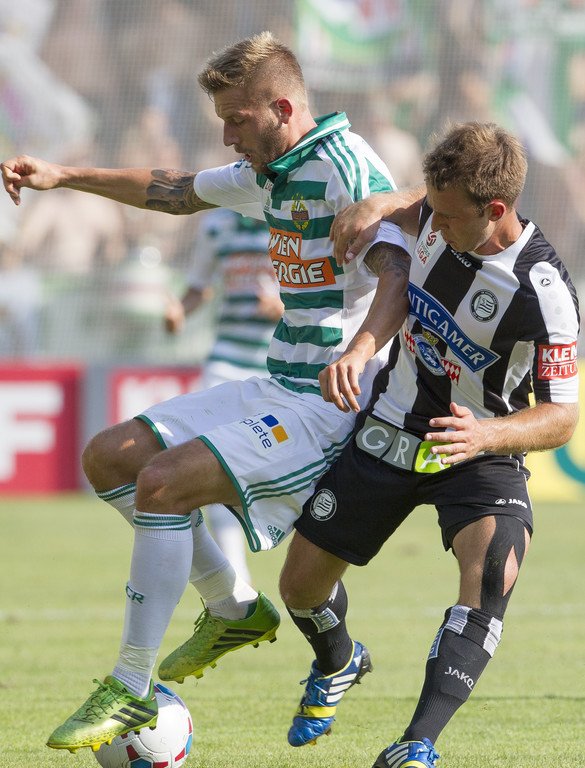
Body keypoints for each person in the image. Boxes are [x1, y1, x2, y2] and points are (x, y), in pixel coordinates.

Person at [1, 31, 411, 753]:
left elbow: (398, 275)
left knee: (162, 483)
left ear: (281, 107)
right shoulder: (271, 172)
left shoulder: (347, 168)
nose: (226, 137)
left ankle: (130, 685)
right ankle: (232, 605)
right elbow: (174, 191)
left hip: (330, 405)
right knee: (110, 456)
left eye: (236, 120)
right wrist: (63, 175)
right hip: (276, 383)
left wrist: (360, 349)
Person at [278, 122, 580, 767]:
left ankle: (417, 744)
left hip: (479, 447)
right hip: (391, 427)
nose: (431, 226)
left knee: (494, 573)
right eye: (429, 210)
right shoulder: (436, 216)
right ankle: (339, 660)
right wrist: (362, 345)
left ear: (494, 209)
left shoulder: (545, 294)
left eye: (445, 216)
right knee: (299, 589)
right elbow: (404, 258)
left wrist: (487, 434)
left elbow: (562, 418)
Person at [164, 208, 282, 582]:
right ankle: (235, 574)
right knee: (210, 461)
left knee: (280, 468)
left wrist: (285, 308)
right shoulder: (216, 225)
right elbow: (199, 287)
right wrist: (179, 311)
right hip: (226, 363)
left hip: (280, 366)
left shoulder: (292, 217)